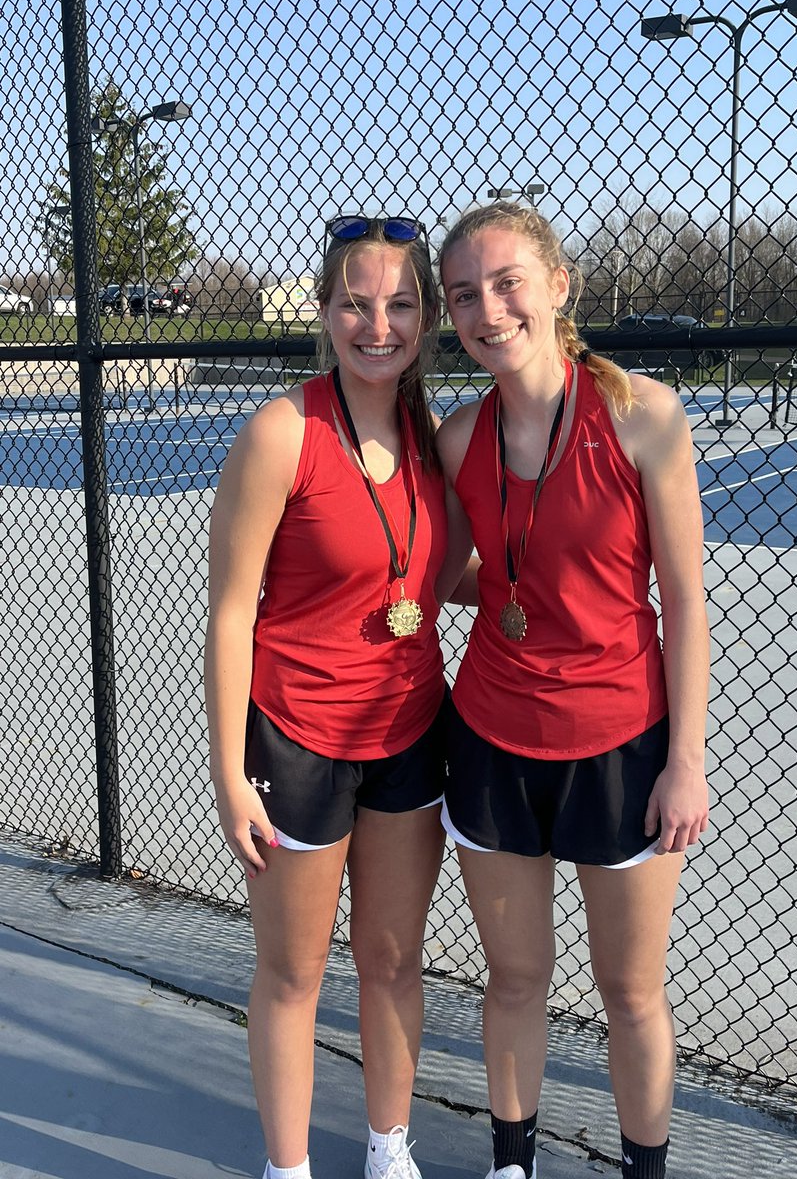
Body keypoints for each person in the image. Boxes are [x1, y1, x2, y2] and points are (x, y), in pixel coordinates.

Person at [435, 202, 710, 1179]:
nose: (487, 309)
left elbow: (682, 597)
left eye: (507, 282)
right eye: (464, 295)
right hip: (494, 741)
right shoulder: (459, 436)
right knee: (514, 979)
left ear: (559, 285)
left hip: (624, 743)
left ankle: (645, 1167)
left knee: (631, 991)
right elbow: (447, 570)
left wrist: (685, 762)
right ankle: (513, 1162)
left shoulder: (643, 415)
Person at [205, 215, 447, 1179]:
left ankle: (389, 1149)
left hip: (409, 732)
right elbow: (230, 616)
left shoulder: (438, 434)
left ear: (426, 316)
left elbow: (450, 568)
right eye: (355, 302)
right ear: (324, 309)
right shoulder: (283, 431)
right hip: (297, 739)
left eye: (399, 303)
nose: (376, 324)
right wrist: (231, 775)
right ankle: (289, 1166)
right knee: (295, 971)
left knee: (392, 962)